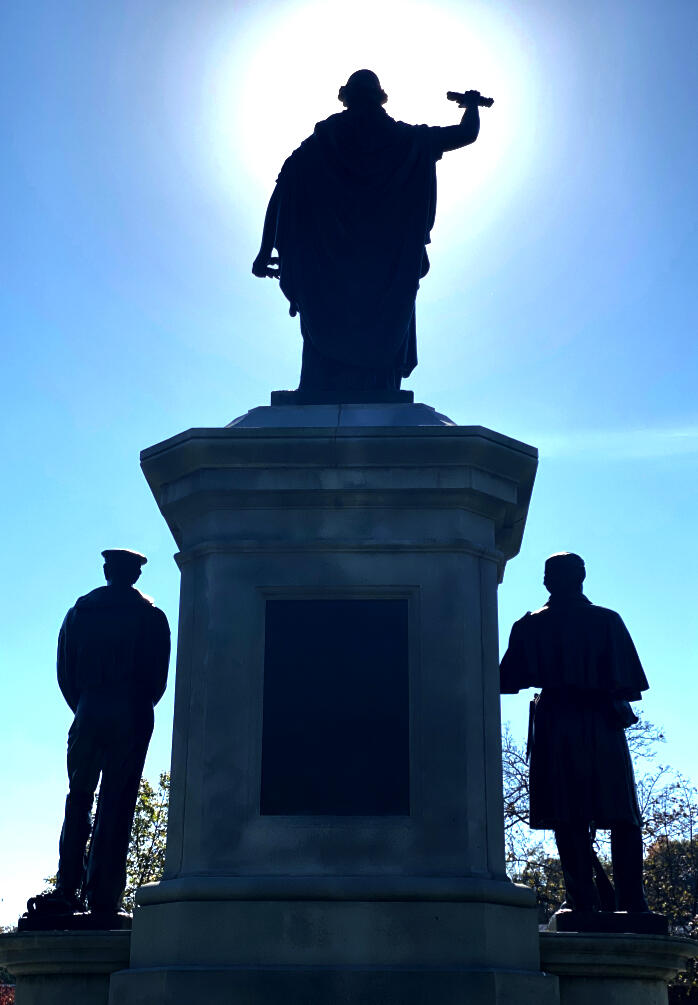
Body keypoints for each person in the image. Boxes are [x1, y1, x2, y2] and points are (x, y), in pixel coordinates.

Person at [252, 69, 485, 392]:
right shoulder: (408, 141)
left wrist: (265, 252)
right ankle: (377, 389)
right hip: (386, 267)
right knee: (383, 331)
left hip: (328, 266)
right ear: (380, 98)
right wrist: (471, 104)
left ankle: (318, 387)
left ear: (345, 96)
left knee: (326, 327)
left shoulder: (318, 144)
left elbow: (281, 194)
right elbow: (466, 134)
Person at [499, 552, 650, 914]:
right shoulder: (606, 621)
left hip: (559, 722)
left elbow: (505, 680)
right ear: (582, 578)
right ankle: (632, 902)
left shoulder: (530, 625)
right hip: (600, 721)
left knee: (571, 814)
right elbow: (630, 685)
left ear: (548, 581)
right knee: (620, 814)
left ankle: (583, 901)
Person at [28, 549, 170, 924]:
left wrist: (87, 704)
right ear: (134, 577)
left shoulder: (79, 614)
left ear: (106, 572)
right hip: (131, 712)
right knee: (116, 804)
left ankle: (66, 889)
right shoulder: (151, 617)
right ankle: (104, 897)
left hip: (89, 709)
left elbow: (65, 674)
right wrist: (131, 704)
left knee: (78, 798)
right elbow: (157, 680)